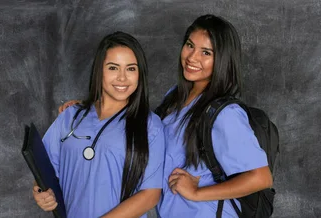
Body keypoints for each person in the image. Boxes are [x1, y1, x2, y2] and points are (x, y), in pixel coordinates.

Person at [58, 14, 273, 217]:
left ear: (223, 60)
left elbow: (260, 177)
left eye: (206, 53)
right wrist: (92, 109)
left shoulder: (225, 114)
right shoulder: (177, 96)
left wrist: (198, 193)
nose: (192, 57)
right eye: (190, 45)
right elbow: (140, 126)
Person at [32, 31, 165, 218]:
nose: (122, 77)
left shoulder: (151, 126)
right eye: (113, 68)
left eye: (131, 69)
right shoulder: (70, 117)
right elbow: (43, 171)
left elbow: (150, 195)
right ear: (99, 70)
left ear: (140, 74)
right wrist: (41, 193)